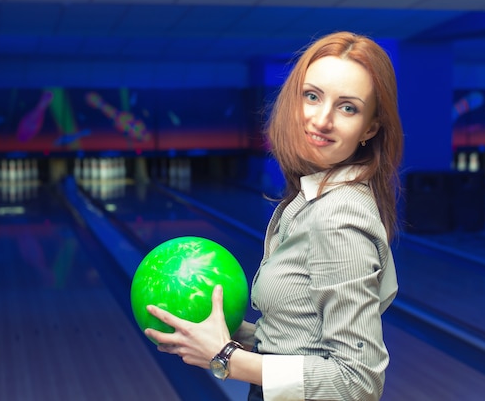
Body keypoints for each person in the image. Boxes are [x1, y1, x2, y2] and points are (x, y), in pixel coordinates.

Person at [145, 31, 403, 401]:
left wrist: (225, 357)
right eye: (311, 96)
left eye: (348, 107)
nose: (322, 119)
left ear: (371, 128)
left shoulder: (338, 218)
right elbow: (299, 340)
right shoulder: (314, 200)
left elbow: (357, 381)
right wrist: (226, 334)